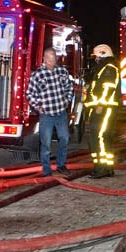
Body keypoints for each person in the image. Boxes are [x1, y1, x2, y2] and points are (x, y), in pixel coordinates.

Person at [25, 47, 74, 178]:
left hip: (61, 113)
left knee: (64, 138)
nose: (52, 62)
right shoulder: (38, 74)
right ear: (44, 59)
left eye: (54, 59)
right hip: (46, 115)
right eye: (49, 60)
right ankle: (46, 170)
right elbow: (30, 93)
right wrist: (37, 106)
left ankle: (61, 164)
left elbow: (69, 87)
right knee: (45, 143)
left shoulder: (62, 71)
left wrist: (67, 100)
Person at [84, 44, 120, 178]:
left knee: (98, 137)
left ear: (103, 54)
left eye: (97, 56)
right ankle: (107, 168)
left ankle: (101, 169)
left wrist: (100, 105)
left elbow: (108, 88)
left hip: (104, 109)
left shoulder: (109, 69)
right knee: (104, 138)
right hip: (103, 108)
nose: (95, 59)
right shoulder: (104, 68)